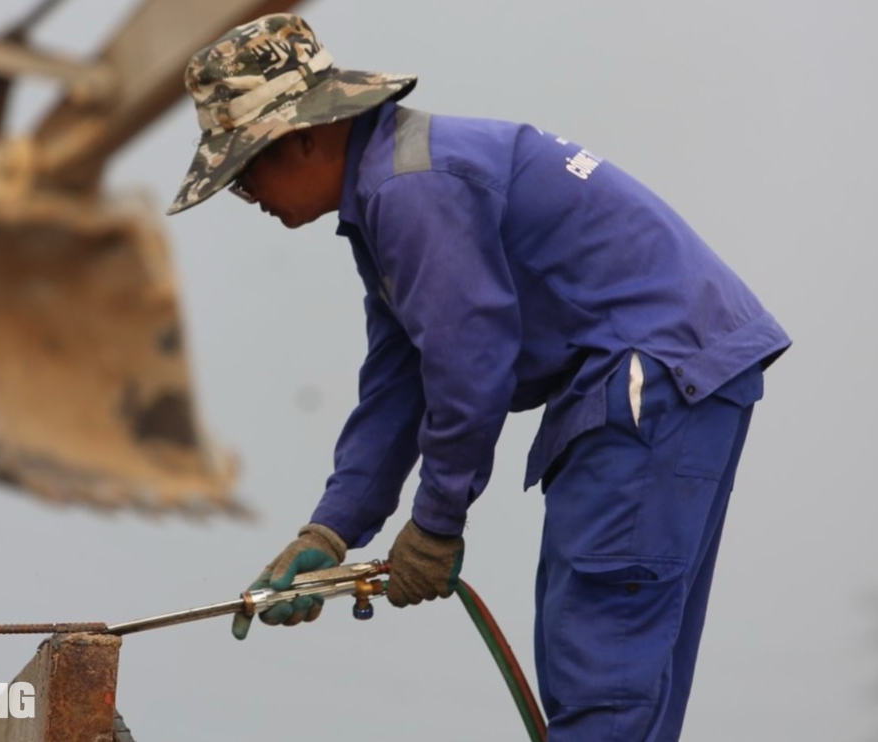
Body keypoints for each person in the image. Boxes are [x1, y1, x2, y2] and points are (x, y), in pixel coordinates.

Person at [166, 13, 790, 742]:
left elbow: (469, 362)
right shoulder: (392, 189)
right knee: (620, 674)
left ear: (302, 136)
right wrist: (331, 531)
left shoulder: (411, 190)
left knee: (601, 672)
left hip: (647, 381)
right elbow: (400, 383)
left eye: (245, 175)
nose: (249, 199)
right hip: (673, 377)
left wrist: (435, 524)